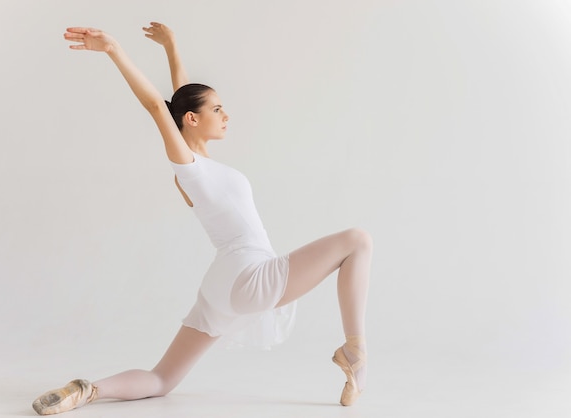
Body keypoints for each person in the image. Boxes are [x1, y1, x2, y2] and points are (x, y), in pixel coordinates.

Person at [31, 22, 373, 415]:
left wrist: (172, 47)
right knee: (358, 240)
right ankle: (355, 351)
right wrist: (113, 50)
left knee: (162, 379)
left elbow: (178, 101)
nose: (225, 115)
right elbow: (160, 107)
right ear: (192, 120)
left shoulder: (200, 167)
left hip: (220, 288)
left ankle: (87, 390)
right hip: (249, 272)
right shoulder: (191, 169)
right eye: (216, 109)